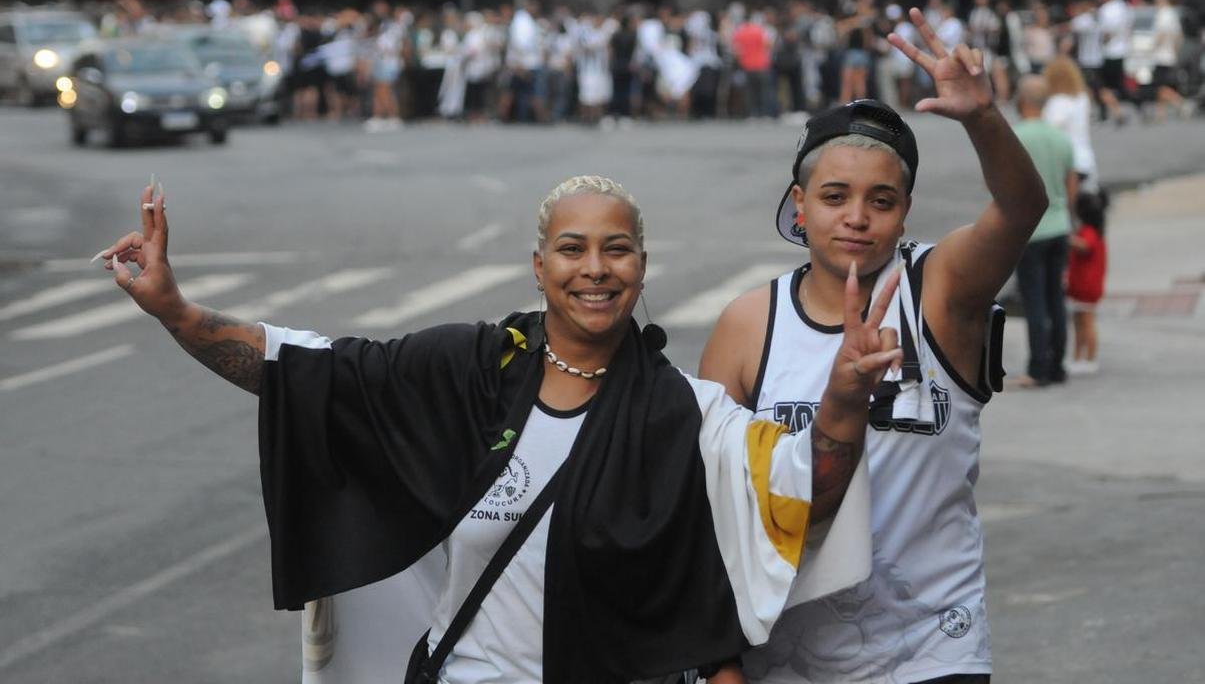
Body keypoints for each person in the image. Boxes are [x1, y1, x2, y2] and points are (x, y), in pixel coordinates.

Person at [93, 175, 902, 683]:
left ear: (642, 267)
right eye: (572, 249)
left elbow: (803, 495)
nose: (595, 269)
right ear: (539, 266)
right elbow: (306, 373)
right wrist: (177, 311)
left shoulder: (684, 415)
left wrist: (840, 401)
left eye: (616, 250)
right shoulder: (468, 371)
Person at [700, 7, 1048, 684]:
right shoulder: (748, 323)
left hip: (930, 654)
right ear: (798, 206)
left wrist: (981, 119)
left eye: (880, 200)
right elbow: (710, 508)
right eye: (834, 196)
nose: (856, 217)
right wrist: (717, 663)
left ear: (905, 211)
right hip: (785, 659)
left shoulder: (939, 290)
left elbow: (1019, 210)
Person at [1013, 75, 1077, 388]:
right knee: (1056, 297)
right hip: (1059, 225)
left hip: (1029, 230)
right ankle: (1058, 364)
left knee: (1034, 300)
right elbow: (1071, 185)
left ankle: (1037, 367)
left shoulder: (1015, 136)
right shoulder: (1061, 138)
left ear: (1022, 101)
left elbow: (1001, 184)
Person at [1042, 56, 1100, 192]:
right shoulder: (1082, 98)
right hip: (1085, 158)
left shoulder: (1057, 102)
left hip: (1066, 163)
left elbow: (1050, 129)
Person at [1067, 190, 1108, 376]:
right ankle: (1078, 358)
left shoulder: (1089, 232)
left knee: (1086, 323)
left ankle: (1090, 358)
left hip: (1086, 286)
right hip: (1081, 286)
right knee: (1079, 323)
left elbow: (1085, 246)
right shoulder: (1094, 231)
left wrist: (1068, 239)